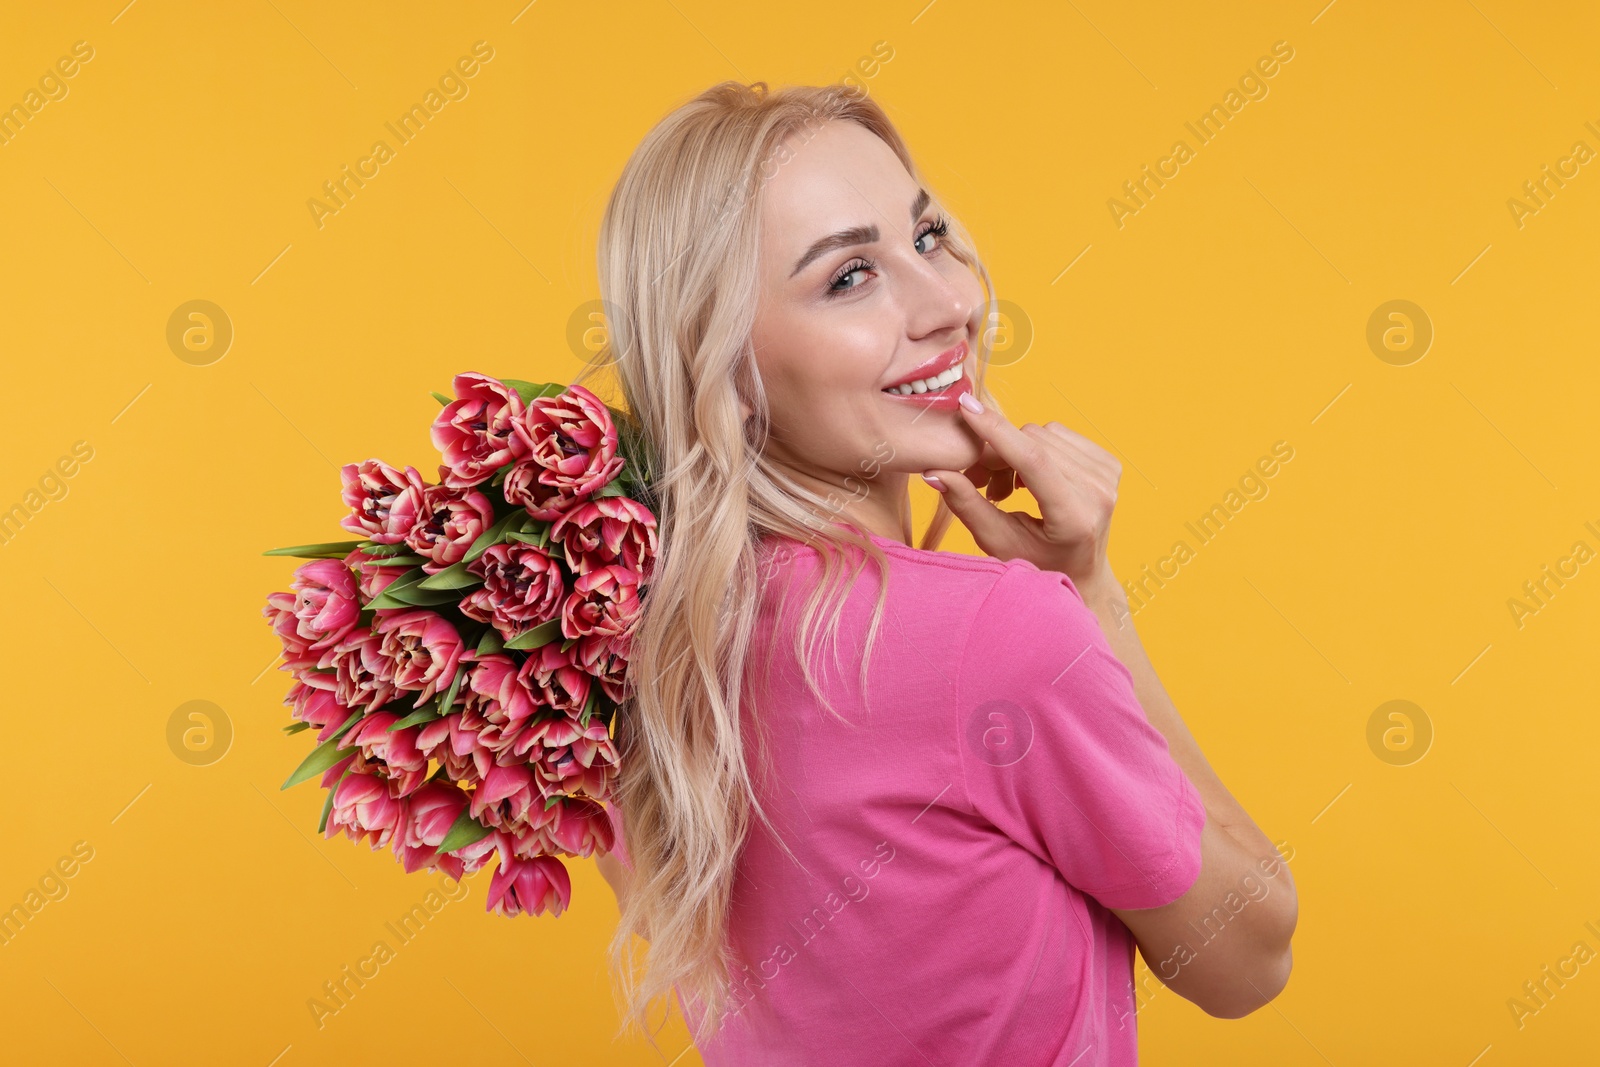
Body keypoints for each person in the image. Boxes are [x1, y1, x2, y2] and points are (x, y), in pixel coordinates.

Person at [579, 80, 1297, 1065]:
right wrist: (1092, 598)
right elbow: (1248, 957)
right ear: (729, 372)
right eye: (847, 278)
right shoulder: (996, 637)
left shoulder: (619, 655)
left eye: (925, 239)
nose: (947, 303)